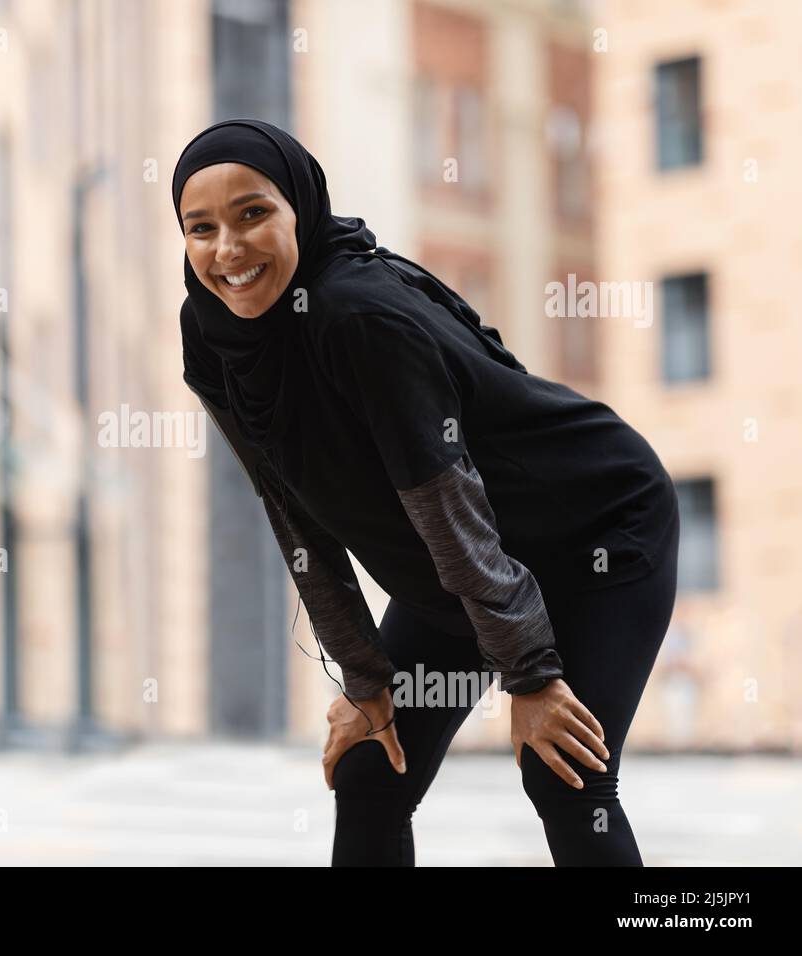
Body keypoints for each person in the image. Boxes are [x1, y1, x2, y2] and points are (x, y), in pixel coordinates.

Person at [172, 118, 680, 866]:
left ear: (300, 211)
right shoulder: (213, 331)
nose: (228, 250)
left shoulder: (357, 316)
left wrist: (532, 676)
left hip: (595, 527)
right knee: (371, 768)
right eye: (200, 227)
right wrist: (366, 681)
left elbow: (447, 502)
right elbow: (292, 513)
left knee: (565, 774)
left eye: (254, 213)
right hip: (456, 562)